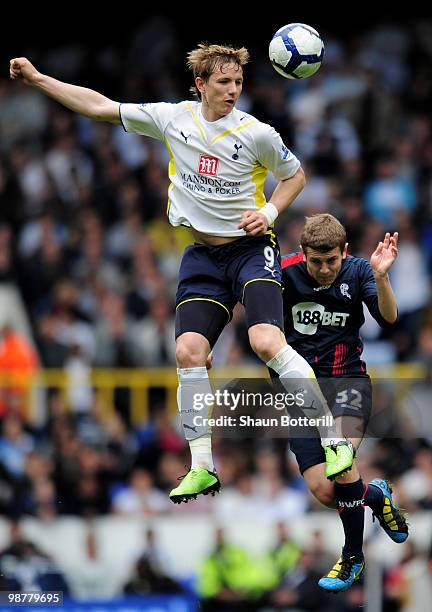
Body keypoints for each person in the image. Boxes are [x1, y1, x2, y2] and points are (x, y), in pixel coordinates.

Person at [9, 45, 353, 503]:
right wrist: (38, 79)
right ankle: (202, 467)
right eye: (223, 83)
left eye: (238, 83)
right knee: (188, 351)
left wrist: (269, 211)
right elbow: (100, 107)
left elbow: (296, 176)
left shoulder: (257, 134)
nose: (233, 91)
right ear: (201, 85)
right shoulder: (173, 119)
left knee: (266, 341)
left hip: (251, 252)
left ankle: (333, 442)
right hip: (202, 258)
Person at [273, 213, 408, 592]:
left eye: (331, 260)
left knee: (341, 461)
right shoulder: (282, 274)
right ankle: (375, 495)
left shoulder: (360, 270)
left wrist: (382, 277)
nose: (324, 269)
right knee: (325, 491)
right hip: (299, 395)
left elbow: (389, 318)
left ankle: (352, 556)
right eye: (316, 262)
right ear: (303, 254)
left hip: (347, 383)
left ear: (343, 252)